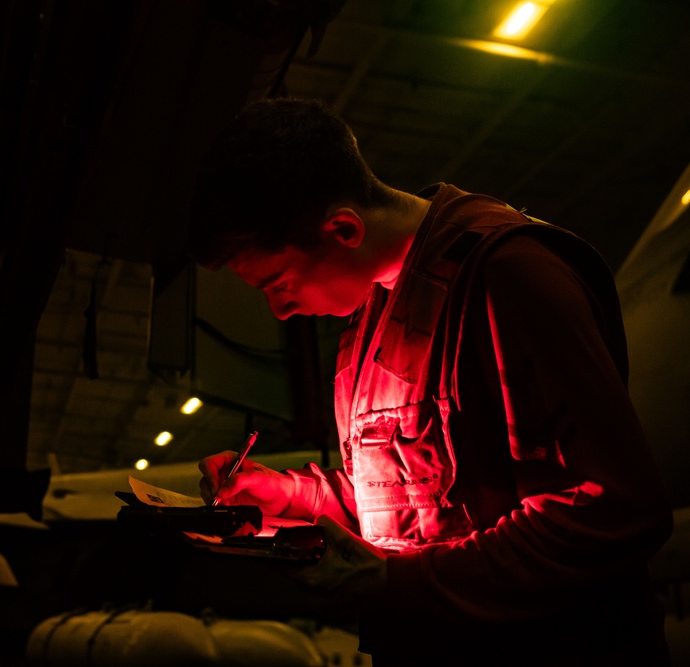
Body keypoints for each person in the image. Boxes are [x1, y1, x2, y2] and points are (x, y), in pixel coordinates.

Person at [190, 97, 674, 666]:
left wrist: (404, 583)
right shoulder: (371, 316)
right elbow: (411, 502)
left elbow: (615, 509)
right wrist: (292, 496)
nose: (280, 312)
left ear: (343, 229)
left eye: (278, 284)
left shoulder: (511, 274)